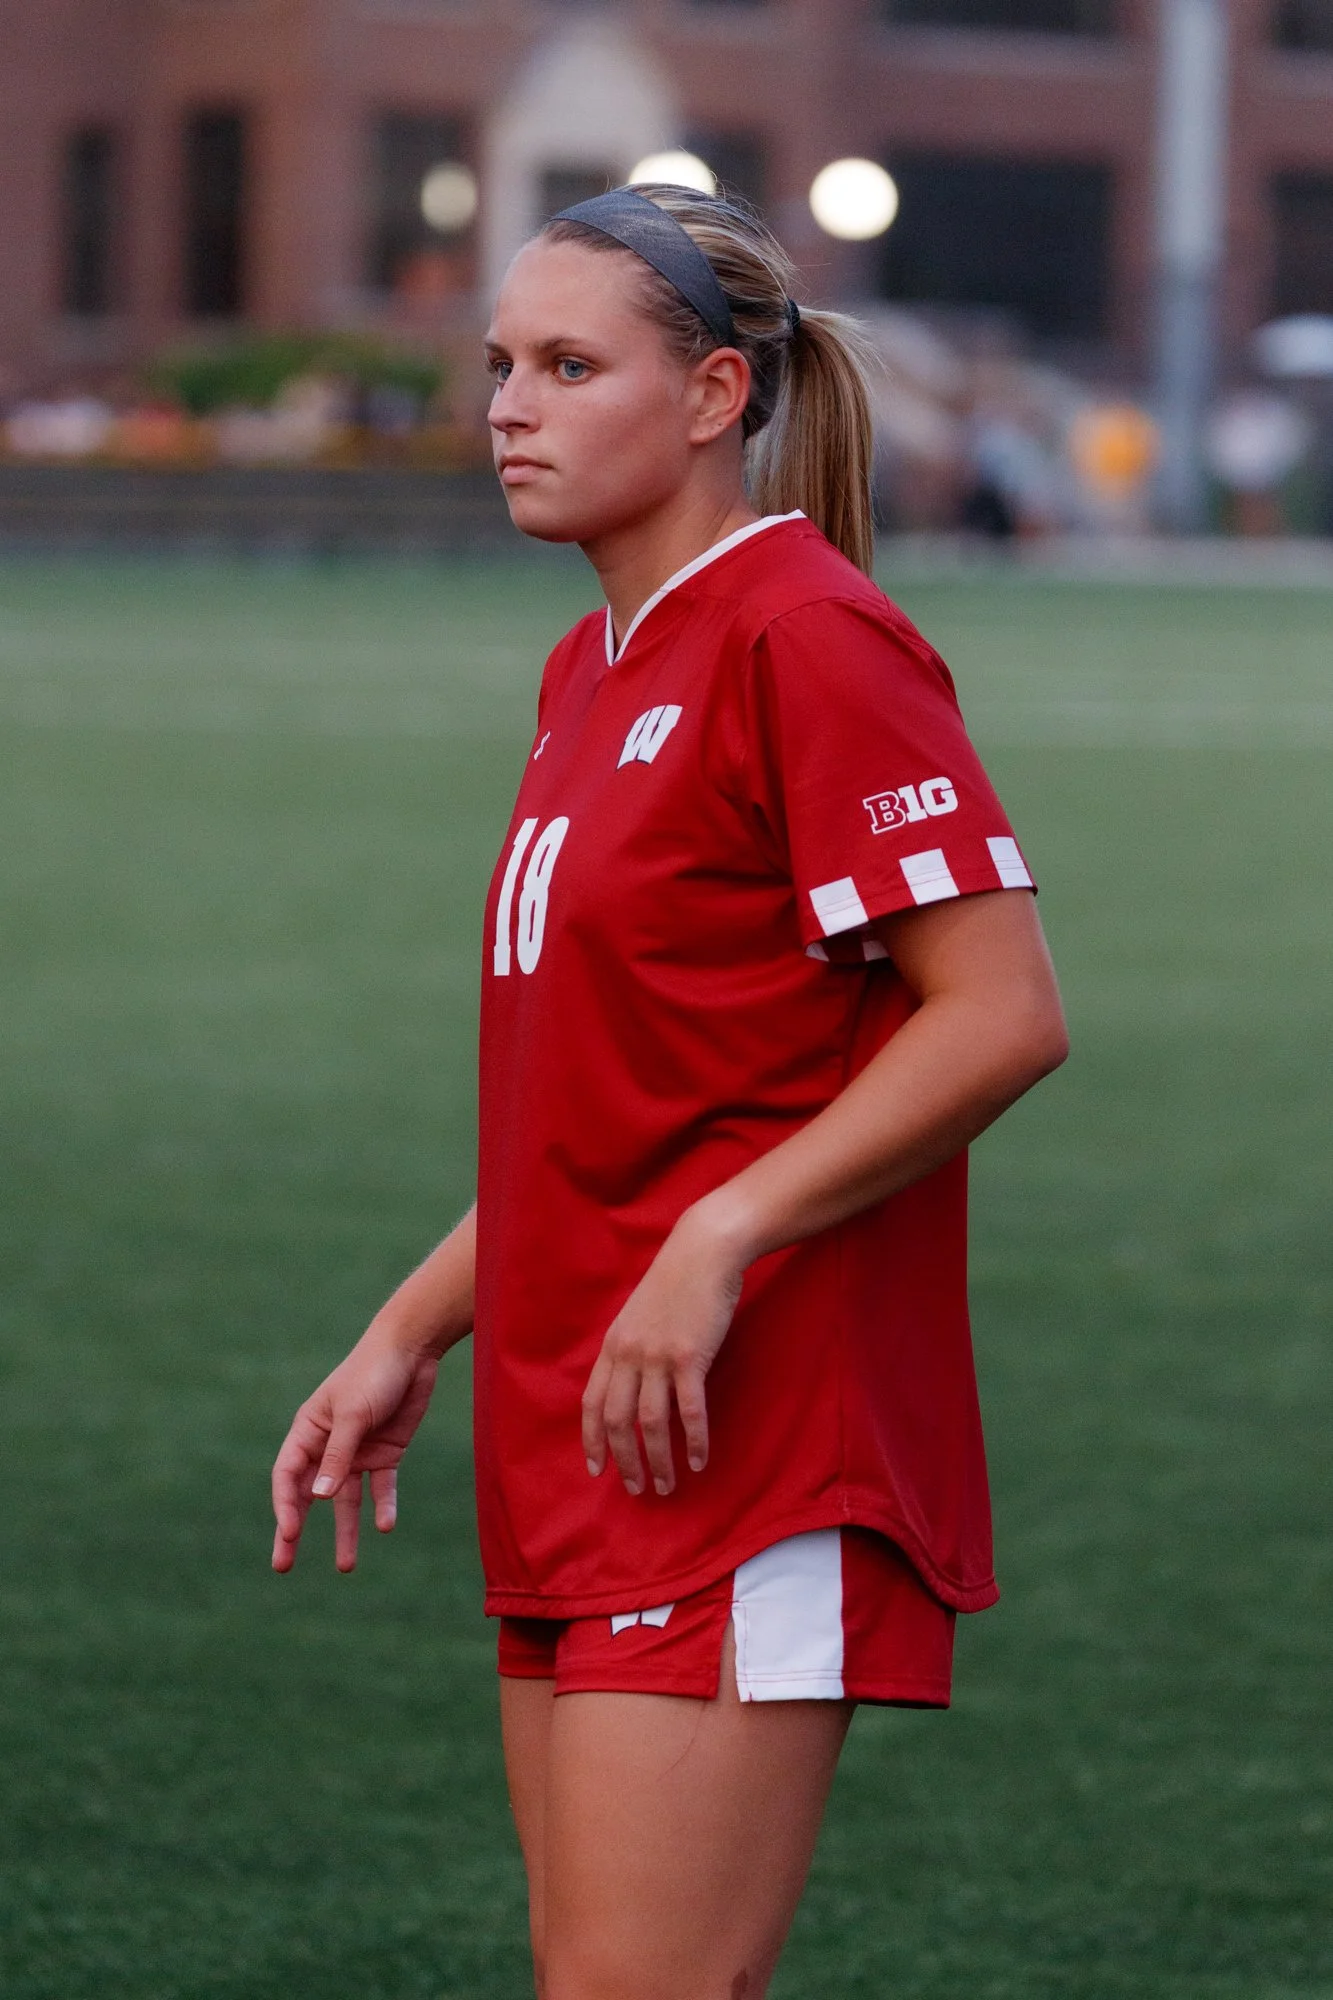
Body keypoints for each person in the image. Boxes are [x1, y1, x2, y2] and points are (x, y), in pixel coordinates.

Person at [271, 184, 1068, 2000]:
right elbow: (620, 1109)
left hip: (752, 1437)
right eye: (498, 366)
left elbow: (1001, 1012)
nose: (508, 409)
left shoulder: (807, 633)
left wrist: (725, 1234)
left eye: (568, 365)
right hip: (578, 1430)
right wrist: (410, 1331)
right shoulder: (590, 665)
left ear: (717, 396)